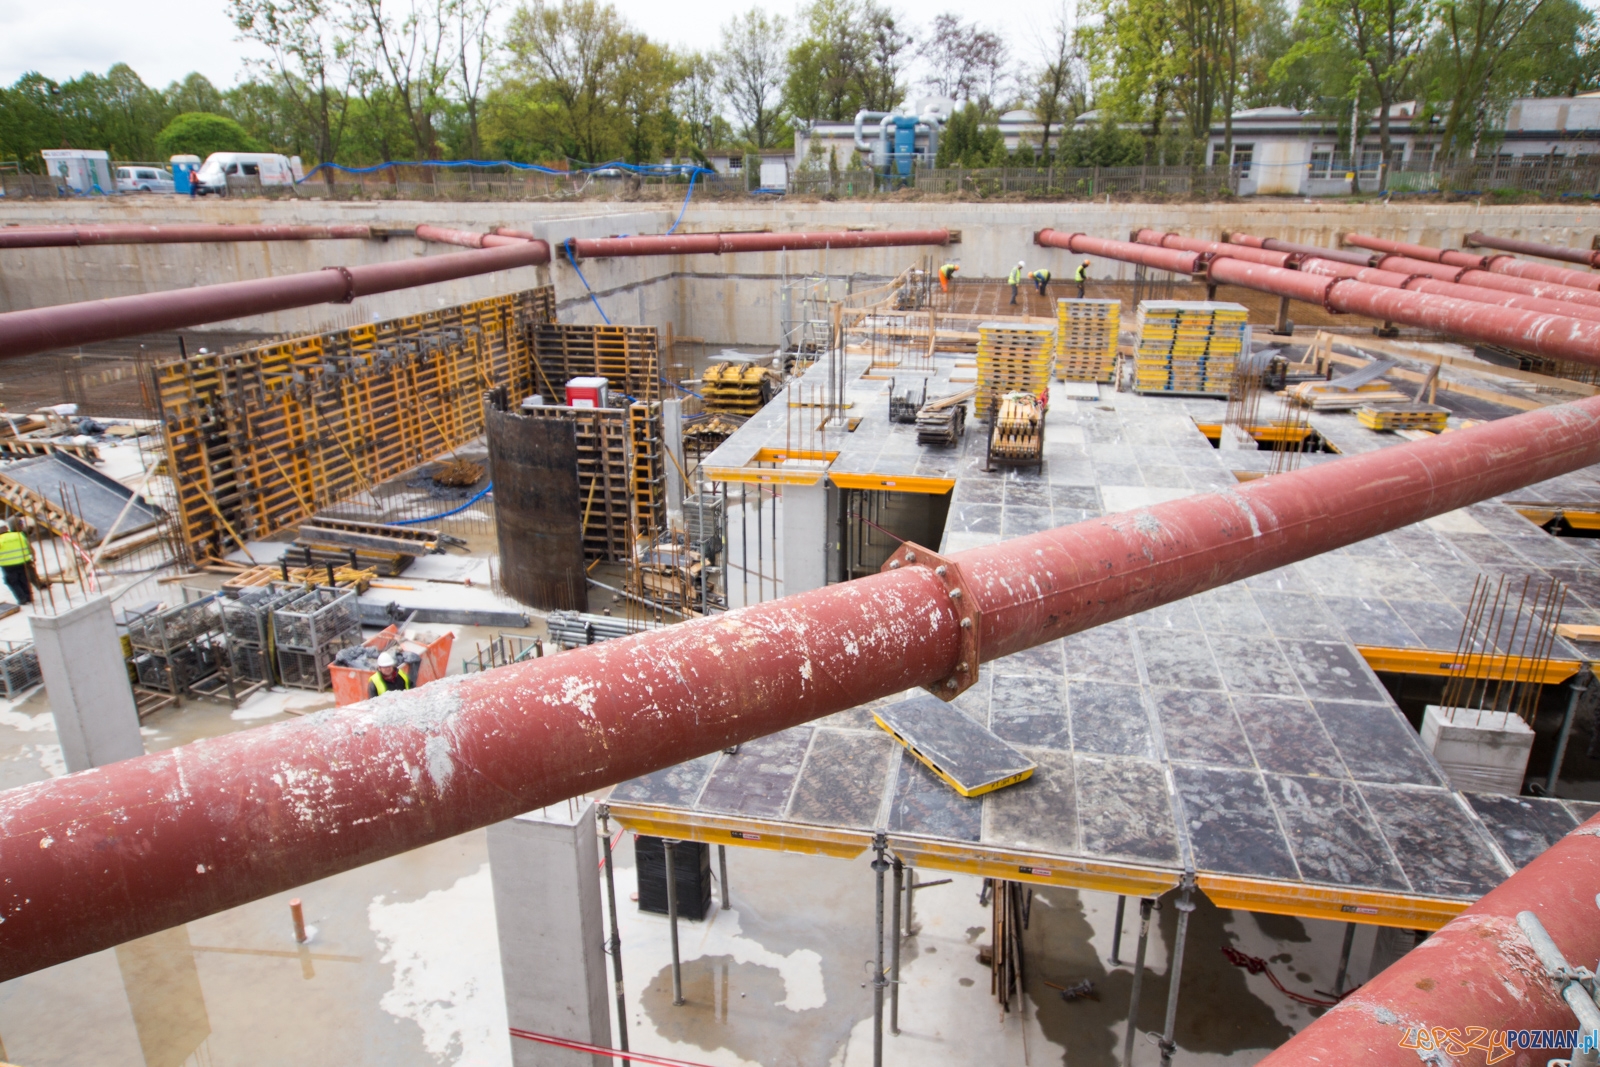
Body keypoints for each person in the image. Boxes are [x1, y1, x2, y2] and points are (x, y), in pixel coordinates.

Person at [0, 519, 34, 607]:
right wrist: (32, 557)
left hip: (7, 565)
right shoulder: (19, 535)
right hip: (23, 562)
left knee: (13, 582)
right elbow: (29, 547)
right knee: (24, 579)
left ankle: (22, 599)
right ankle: (29, 597)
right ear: (6, 528)